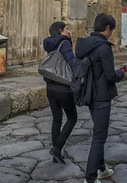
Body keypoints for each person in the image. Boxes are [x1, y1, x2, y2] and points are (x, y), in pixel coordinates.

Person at [75, 14, 126, 183]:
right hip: (102, 96)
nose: (111, 33)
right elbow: (110, 75)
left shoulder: (85, 44)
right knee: (99, 137)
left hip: (89, 93)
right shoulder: (104, 47)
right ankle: (90, 178)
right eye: (112, 30)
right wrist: (122, 72)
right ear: (107, 29)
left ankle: (102, 168)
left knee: (99, 131)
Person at [43, 21, 77, 164]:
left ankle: (56, 154)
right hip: (63, 87)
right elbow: (72, 63)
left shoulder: (50, 44)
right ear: (61, 31)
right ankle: (57, 148)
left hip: (50, 87)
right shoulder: (65, 43)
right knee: (72, 118)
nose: (69, 31)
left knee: (57, 119)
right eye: (66, 29)